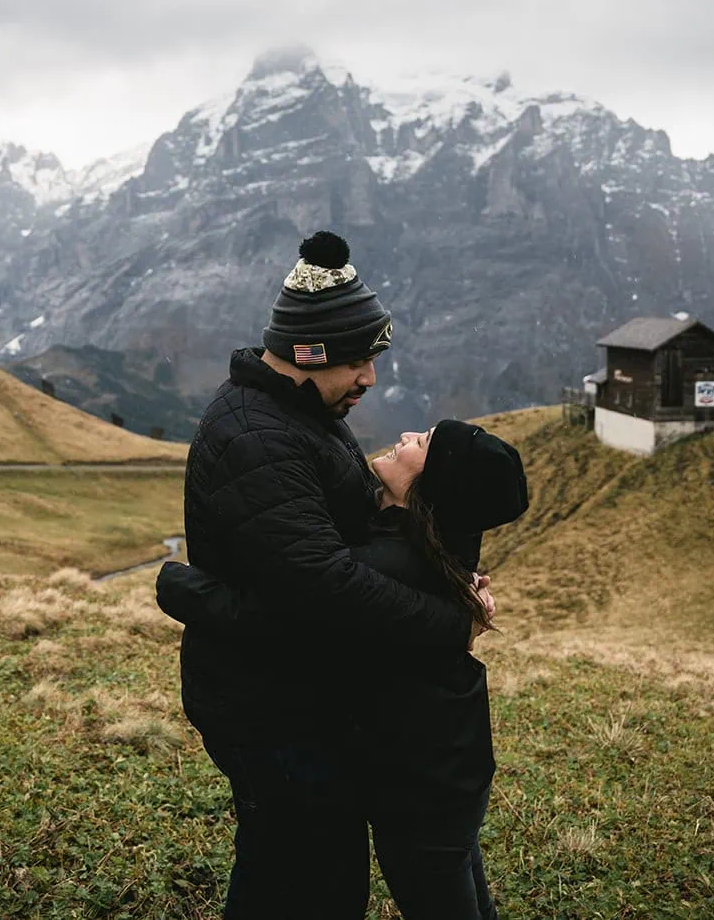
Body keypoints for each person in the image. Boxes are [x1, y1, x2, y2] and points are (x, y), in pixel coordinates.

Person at [162, 231, 491, 920]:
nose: (370, 378)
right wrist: (449, 621)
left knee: (302, 868)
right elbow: (324, 583)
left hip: (293, 691)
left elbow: (356, 524)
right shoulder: (256, 436)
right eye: (358, 359)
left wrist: (449, 576)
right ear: (309, 350)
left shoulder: (302, 413)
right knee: (304, 877)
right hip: (264, 706)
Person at [160, 419, 528, 920]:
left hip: (419, 786)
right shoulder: (434, 543)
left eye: (422, 443)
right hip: (449, 768)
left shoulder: (390, 561)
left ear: (433, 485)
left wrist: (179, 586)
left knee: (440, 897)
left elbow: (276, 613)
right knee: (461, 881)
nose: (406, 436)